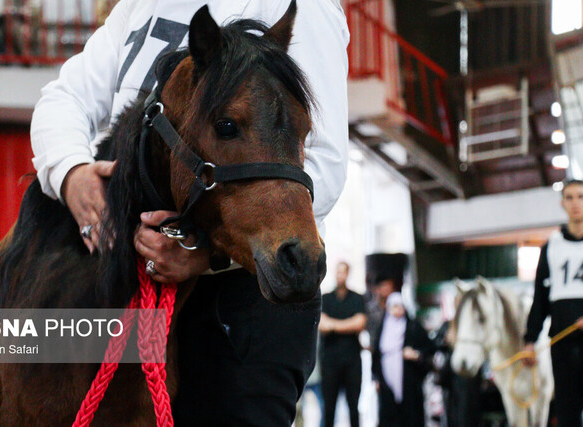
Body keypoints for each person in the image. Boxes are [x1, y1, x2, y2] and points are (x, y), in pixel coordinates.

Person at [29, 0, 349, 425]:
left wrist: (207, 253)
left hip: (244, 295)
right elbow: (65, 97)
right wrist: (71, 171)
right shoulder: (140, 4)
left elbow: (322, 160)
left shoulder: (302, 7)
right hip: (135, 289)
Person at [523, 179, 583, 427]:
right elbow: (540, 299)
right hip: (563, 343)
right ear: (562, 203)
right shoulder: (551, 248)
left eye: (580, 196)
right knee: (567, 413)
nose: (575, 203)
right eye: (569, 198)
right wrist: (529, 340)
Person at [372, 292, 433, 427]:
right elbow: (377, 354)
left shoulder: (413, 327)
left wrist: (416, 355)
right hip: (387, 382)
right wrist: (376, 378)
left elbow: (428, 349)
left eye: (400, 306)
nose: (397, 310)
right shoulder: (383, 328)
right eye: (394, 306)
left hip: (409, 383)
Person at [319, 262, 367, 427]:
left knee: (354, 407)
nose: (340, 276)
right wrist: (348, 325)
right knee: (329, 409)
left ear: (348, 274)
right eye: (338, 272)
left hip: (352, 361)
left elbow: (360, 323)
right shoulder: (325, 298)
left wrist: (333, 325)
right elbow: (322, 326)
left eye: (343, 272)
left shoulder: (357, 298)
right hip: (330, 361)